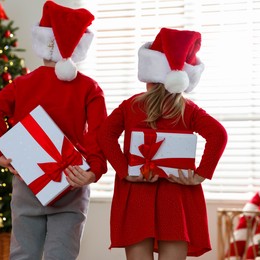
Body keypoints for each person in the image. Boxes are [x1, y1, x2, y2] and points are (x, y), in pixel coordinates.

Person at [0, 1, 107, 259]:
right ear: (77, 49)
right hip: (72, 181)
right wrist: (94, 170)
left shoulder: (22, 84)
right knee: (62, 255)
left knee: (22, 254)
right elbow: (99, 133)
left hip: (30, 178)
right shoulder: (89, 88)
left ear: (43, 43)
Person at [97, 27, 228, 259]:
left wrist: (124, 170)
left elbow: (104, 134)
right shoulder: (189, 110)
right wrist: (201, 173)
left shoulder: (131, 105)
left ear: (149, 74)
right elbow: (219, 135)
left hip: (136, 194)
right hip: (176, 198)